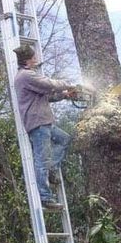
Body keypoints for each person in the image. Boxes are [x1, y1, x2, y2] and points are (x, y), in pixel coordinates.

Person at [13, 44, 73, 209]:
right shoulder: (26, 76)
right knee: (41, 160)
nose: (36, 60)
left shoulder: (27, 77)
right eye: (34, 57)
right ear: (28, 60)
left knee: (64, 139)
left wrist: (64, 95)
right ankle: (46, 198)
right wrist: (69, 84)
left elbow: (47, 96)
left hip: (44, 121)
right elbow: (49, 84)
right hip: (38, 123)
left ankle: (52, 168)